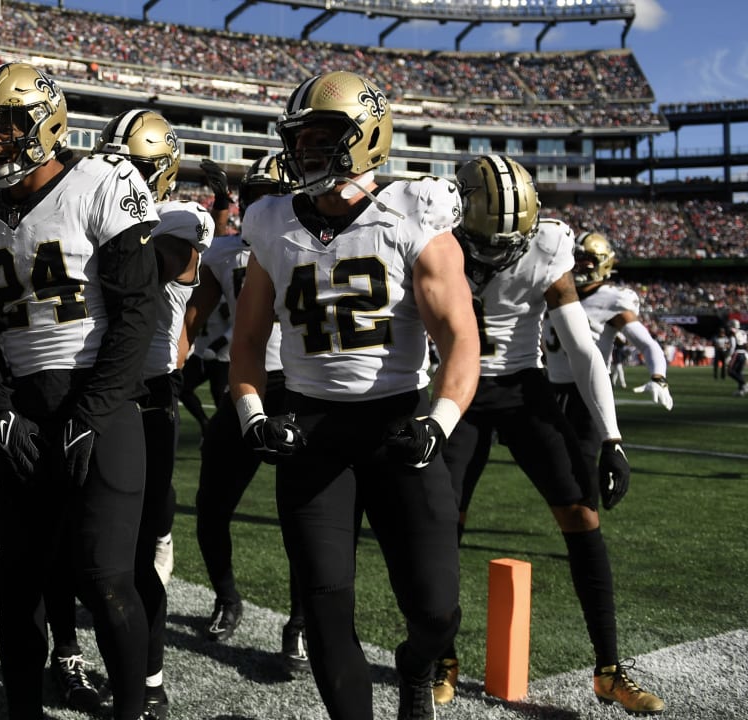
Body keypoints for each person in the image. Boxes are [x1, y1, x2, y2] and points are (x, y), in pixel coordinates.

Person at [229, 70, 479, 720]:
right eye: (301, 138)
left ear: (367, 139)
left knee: (436, 610)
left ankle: (418, 664)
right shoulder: (271, 222)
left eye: (322, 138)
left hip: (401, 430)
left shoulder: (413, 214)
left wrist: (439, 422)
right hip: (313, 435)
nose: (306, 151)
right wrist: (254, 415)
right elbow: (249, 341)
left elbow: (461, 342)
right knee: (324, 603)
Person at [0, 62, 159, 720]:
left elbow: (136, 318)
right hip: (22, 414)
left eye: (7, 129)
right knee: (19, 585)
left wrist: (93, 412)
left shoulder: (104, 180)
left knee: (103, 579)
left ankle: (132, 709)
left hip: (98, 405)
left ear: (48, 122)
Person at [434, 155, 664, 715]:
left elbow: (583, 347)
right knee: (443, 526)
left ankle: (609, 668)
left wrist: (611, 437)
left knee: (583, 515)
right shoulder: (431, 226)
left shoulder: (549, 243)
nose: (500, 247)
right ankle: (441, 658)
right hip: (451, 387)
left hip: (521, 386)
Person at [94, 107, 204, 720]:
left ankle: (151, 677)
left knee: (140, 552)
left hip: (149, 396)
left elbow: (165, 258)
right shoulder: (97, 202)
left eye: (132, 167)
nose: (120, 176)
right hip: (97, 391)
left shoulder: (178, 222)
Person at [182, 153, 309, 673]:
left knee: (305, 518)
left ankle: (299, 624)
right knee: (211, 507)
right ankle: (228, 597)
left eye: (273, 198)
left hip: (303, 389)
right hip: (245, 385)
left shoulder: (318, 248)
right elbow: (193, 317)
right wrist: (170, 368)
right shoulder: (225, 255)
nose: (264, 208)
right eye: (256, 198)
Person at [544, 231, 672, 483]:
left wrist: (658, 377)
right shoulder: (552, 290)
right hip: (550, 390)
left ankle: (587, 518)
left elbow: (648, 344)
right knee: (553, 468)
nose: (579, 265)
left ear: (603, 262)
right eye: (576, 259)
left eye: (587, 260)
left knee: (582, 465)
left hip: (588, 392)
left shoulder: (611, 299)